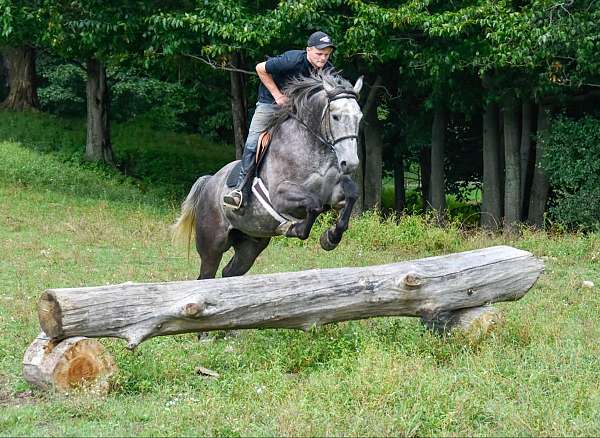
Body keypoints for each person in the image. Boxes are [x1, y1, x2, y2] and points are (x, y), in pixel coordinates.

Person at [223, 31, 336, 209]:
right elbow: (260, 68)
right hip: (270, 104)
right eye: (319, 54)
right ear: (308, 50)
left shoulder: (327, 68)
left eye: (327, 54)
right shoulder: (292, 60)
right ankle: (239, 189)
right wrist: (278, 96)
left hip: (299, 109)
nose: (323, 58)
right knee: (253, 142)